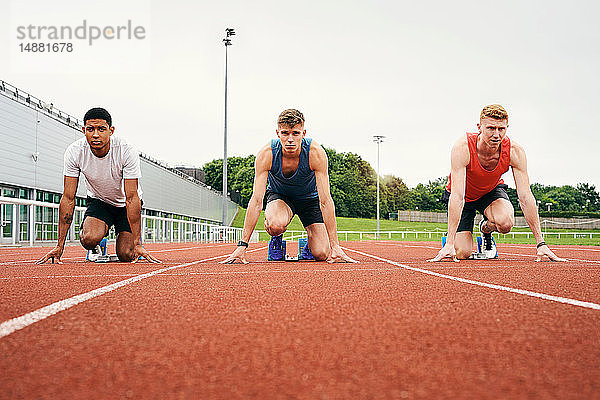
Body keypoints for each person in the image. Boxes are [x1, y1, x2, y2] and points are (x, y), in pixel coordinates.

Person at [429, 104, 566, 262]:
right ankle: (450, 241)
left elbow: (526, 197)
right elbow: (458, 195)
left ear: (507, 127)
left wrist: (540, 243)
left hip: (489, 192)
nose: (496, 135)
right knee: (462, 253)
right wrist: (451, 243)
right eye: (491, 128)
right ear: (479, 127)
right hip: (464, 196)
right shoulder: (463, 147)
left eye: (501, 129)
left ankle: (485, 230)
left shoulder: (515, 151)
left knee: (506, 223)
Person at [221, 109, 356, 264]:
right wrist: (242, 245)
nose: (290, 139)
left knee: (321, 253)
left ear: (303, 133)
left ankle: (308, 244)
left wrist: (335, 246)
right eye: (285, 133)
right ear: (278, 133)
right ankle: (276, 239)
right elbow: (257, 200)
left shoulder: (316, 153)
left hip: (310, 200)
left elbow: (325, 200)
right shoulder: (267, 154)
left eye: (295, 133)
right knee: (275, 224)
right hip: (281, 197)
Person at [37, 107, 160, 264]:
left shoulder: (126, 150)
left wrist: (137, 244)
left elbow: (131, 197)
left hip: (125, 205)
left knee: (126, 255)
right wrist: (59, 247)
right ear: (84, 130)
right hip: (100, 201)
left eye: (101, 129)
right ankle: (98, 241)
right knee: (88, 239)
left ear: (111, 130)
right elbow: (68, 197)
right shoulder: (75, 152)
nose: (95, 134)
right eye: (90, 129)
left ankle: (131, 241)